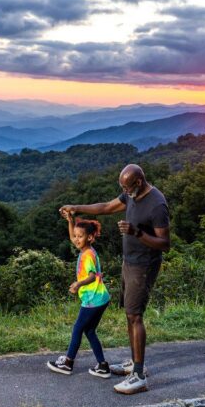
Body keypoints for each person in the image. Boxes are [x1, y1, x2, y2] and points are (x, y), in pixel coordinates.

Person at [60, 164, 170, 395]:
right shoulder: (131, 195)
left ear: (138, 183)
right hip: (129, 262)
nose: (124, 191)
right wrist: (76, 208)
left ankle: (138, 375)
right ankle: (134, 362)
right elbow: (107, 207)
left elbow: (165, 244)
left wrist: (136, 232)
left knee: (134, 315)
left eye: (126, 187)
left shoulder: (157, 204)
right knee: (129, 314)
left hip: (144, 265)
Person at [47, 214, 111, 378]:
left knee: (78, 329)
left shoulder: (87, 255)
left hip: (93, 298)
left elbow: (91, 276)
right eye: (75, 236)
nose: (76, 239)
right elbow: (72, 237)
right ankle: (103, 366)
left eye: (80, 236)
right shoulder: (86, 249)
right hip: (101, 298)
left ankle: (68, 363)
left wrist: (78, 284)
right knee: (89, 331)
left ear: (89, 237)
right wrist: (70, 221)